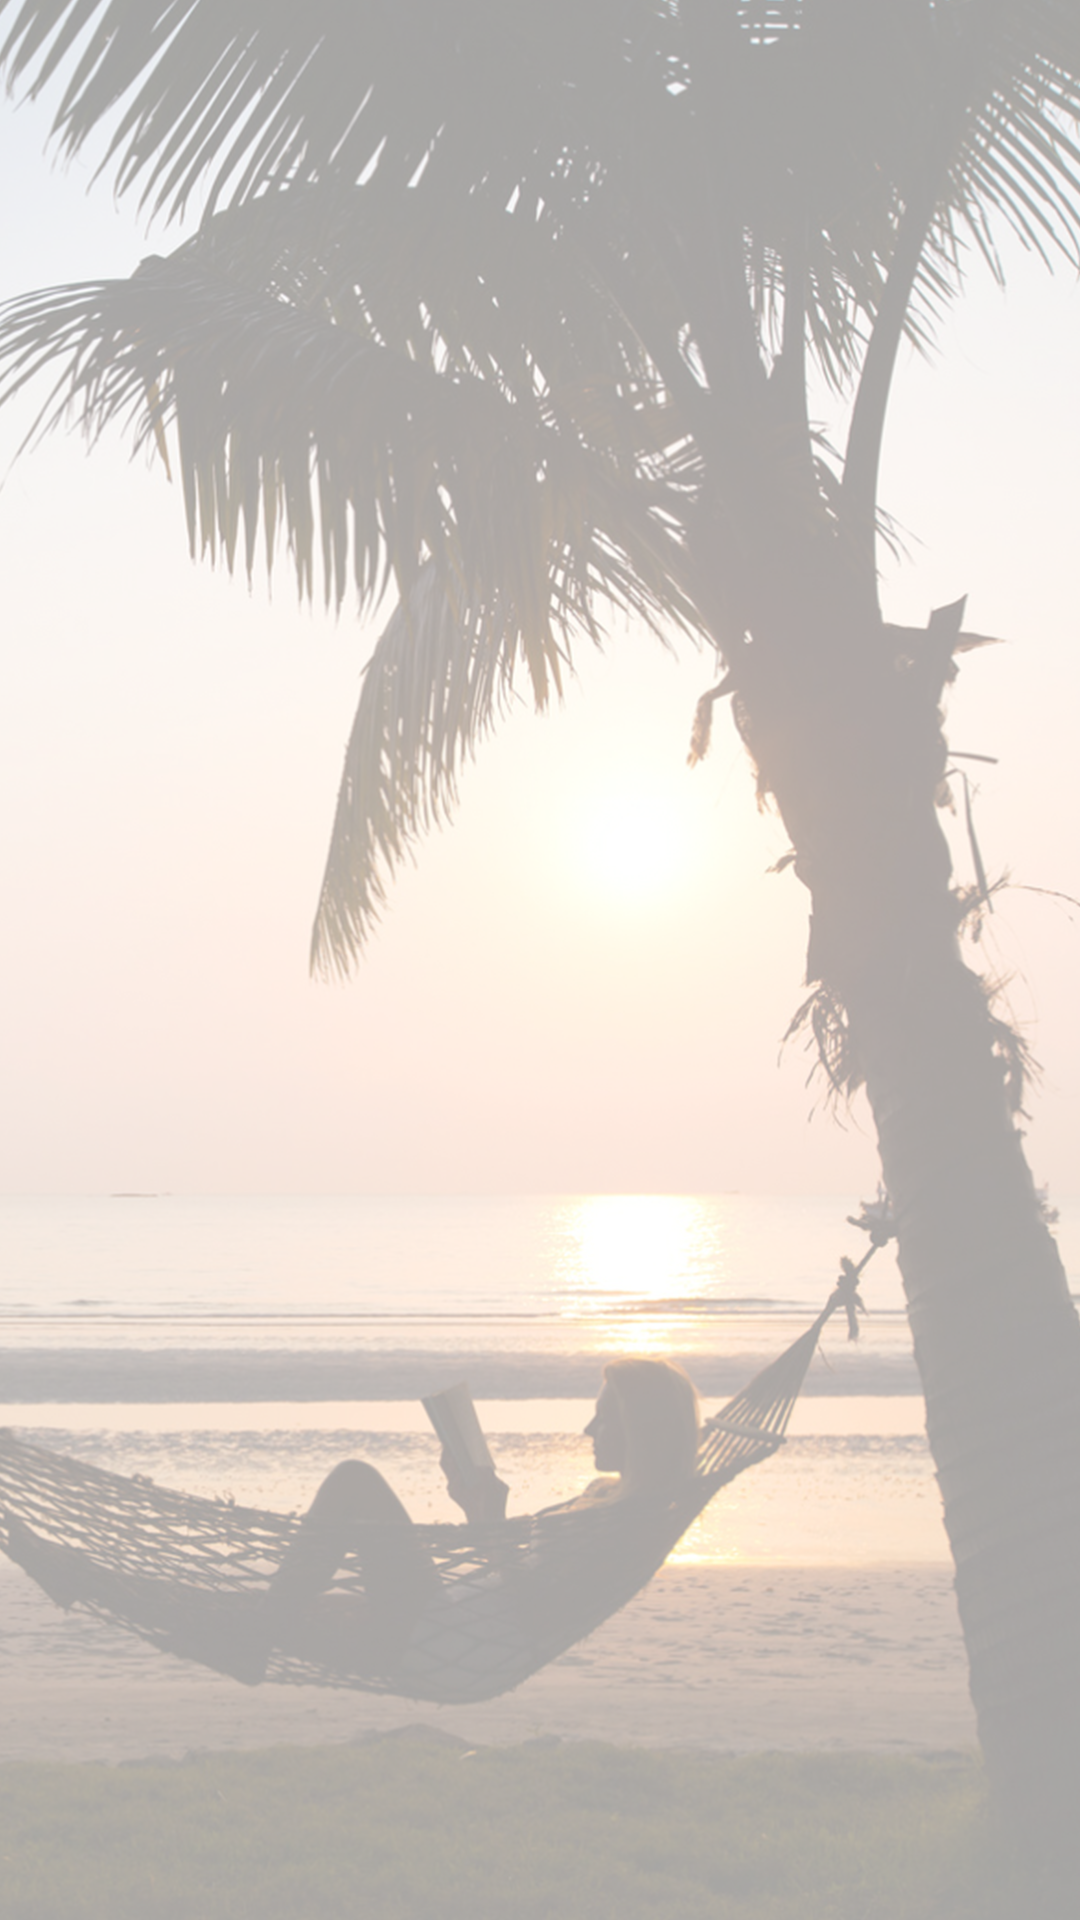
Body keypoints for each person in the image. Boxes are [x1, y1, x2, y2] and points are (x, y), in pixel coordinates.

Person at [249, 1356, 700, 1679]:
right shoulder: (609, 1498)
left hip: (450, 1643)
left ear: (640, 1430)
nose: (586, 1430)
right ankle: (255, 1633)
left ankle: (253, 1642)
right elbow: (521, 1584)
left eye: (603, 1419)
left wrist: (492, 1522)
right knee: (252, 1609)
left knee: (355, 1480)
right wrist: (475, 1507)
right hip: (453, 1620)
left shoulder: (623, 1526)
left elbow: (537, 1611)